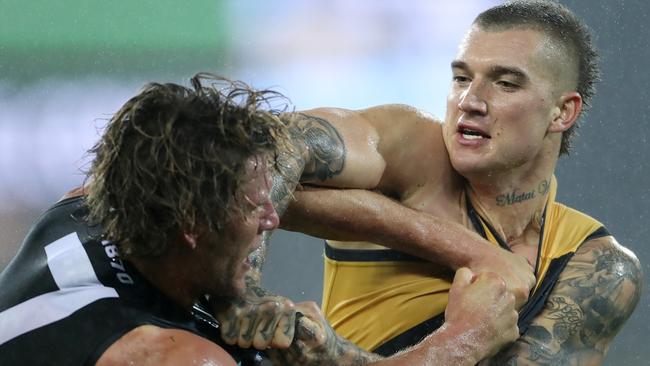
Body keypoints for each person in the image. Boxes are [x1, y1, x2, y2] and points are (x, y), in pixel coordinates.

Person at [0, 74, 520, 365]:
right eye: (255, 206)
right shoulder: (173, 359)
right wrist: (461, 341)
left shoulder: (94, 206)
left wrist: (237, 298)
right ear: (192, 225)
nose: (273, 215)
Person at [276, 1, 642, 364]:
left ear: (563, 111)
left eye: (506, 83)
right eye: (461, 78)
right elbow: (250, 155)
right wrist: (465, 249)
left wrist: (341, 358)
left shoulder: (595, 265)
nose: (470, 101)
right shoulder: (408, 147)